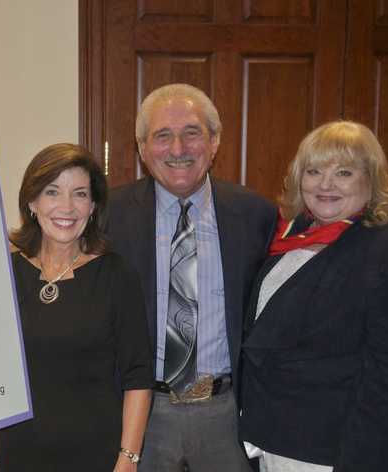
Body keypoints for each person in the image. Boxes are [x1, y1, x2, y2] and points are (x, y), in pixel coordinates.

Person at [239, 121, 388, 472]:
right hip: (280, 447)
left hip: (343, 457)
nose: (325, 184)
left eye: (343, 172)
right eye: (314, 171)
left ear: (371, 180)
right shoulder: (289, 241)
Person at [107, 83, 277, 471]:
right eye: (162, 136)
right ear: (142, 148)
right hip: (141, 417)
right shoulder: (109, 217)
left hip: (226, 414)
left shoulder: (256, 216)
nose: (178, 149)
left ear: (214, 142)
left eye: (192, 133)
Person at [0, 143, 154, 472]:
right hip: (20, 455)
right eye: (52, 192)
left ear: (94, 205)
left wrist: (128, 460)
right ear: (32, 202)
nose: (67, 207)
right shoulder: (5, 274)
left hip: (97, 456)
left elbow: (138, 378)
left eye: (80, 194)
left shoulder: (117, 275)